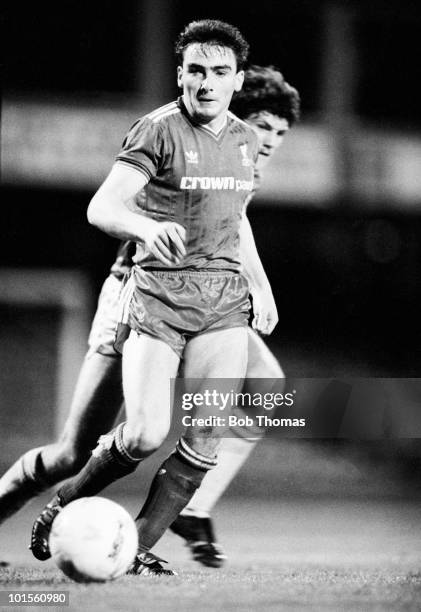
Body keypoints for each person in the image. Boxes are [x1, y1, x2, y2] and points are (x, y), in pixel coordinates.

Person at [0, 65, 300, 569]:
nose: (269, 140)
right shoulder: (177, 143)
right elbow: (131, 202)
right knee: (73, 453)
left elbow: (236, 224)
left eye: (280, 132)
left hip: (209, 299)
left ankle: (172, 521)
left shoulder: (242, 160)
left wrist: (257, 286)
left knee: (267, 386)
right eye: (263, 125)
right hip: (137, 293)